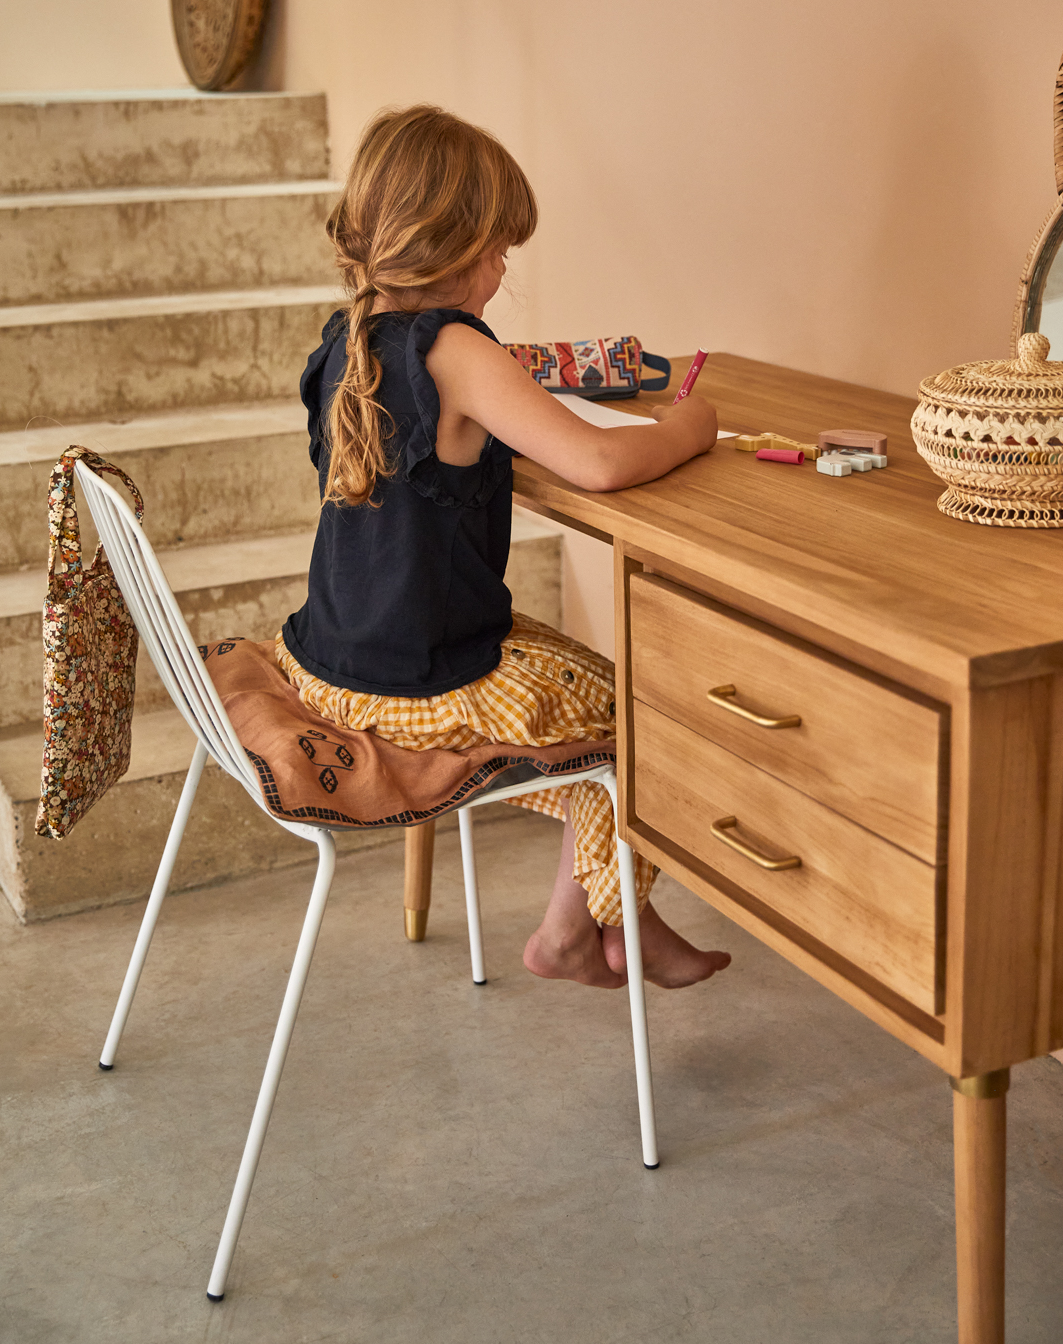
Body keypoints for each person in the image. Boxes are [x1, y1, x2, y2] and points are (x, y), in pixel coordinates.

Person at [278, 104, 730, 990]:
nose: (502, 269)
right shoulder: (455, 350)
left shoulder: (350, 340)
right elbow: (598, 462)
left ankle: (609, 921)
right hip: (422, 678)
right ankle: (584, 930)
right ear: (449, 252)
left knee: (594, 687)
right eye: (496, 250)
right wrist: (691, 427)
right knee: (642, 721)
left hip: (329, 655)